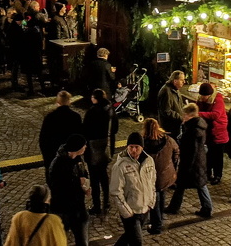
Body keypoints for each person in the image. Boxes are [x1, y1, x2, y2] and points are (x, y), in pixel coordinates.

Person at [108, 131, 157, 246]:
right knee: (137, 241)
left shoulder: (149, 161)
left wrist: (151, 202)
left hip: (145, 209)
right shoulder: (120, 166)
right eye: (131, 147)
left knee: (129, 236)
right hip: (131, 212)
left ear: (142, 147)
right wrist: (127, 212)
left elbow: (153, 181)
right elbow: (115, 191)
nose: (133, 150)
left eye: (136, 147)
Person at [166, 103, 212, 218]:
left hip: (192, 162)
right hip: (198, 161)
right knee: (196, 184)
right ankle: (175, 207)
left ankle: (207, 208)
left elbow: (192, 150)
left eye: (184, 115)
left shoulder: (193, 130)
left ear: (189, 115)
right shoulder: (197, 126)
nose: (183, 117)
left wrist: (187, 165)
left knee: (199, 184)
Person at [48, 134, 90, 246]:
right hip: (63, 209)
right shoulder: (58, 164)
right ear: (77, 148)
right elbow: (58, 186)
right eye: (83, 145)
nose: (86, 147)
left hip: (78, 207)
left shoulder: (78, 159)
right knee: (60, 241)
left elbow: (84, 174)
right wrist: (78, 182)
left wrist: (85, 187)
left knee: (83, 241)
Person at [83, 88, 118, 216]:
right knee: (104, 176)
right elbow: (115, 128)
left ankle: (97, 205)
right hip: (106, 148)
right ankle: (106, 202)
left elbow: (85, 130)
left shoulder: (92, 112)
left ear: (96, 98)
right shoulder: (110, 110)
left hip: (93, 149)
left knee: (94, 178)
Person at [141, 118, 178, 235]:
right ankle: (160, 216)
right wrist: (173, 165)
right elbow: (177, 152)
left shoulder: (143, 144)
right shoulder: (168, 140)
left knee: (154, 200)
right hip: (165, 175)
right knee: (162, 194)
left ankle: (156, 225)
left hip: (151, 177)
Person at [39, 91, 84, 180]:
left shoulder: (50, 117)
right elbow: (80, 138)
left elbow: (43, 140)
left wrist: (47, 160)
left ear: (58, 102)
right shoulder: (75, 117)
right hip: (72, 158)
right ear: (69, 101)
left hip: (53, 157)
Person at [196, 82, 228, 185]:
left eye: (205, 96)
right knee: (209, 154)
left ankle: (218, 175)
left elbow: (216, 115)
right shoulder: (200, 100)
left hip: (219, 132)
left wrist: (198, 114)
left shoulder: (218, 100)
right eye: (202, 95)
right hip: (209, 132)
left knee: (218, 155)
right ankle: (208, 173)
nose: (203, 98)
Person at [156, 70, 186, 138]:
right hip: (169, 127)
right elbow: (166, 111)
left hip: (175, 126)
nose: (184, 82)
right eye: (181, 80)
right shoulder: (166, 92)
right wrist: (180, 117)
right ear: (175, 81)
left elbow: (179, 105)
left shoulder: (175, 90)